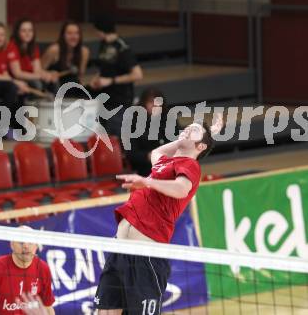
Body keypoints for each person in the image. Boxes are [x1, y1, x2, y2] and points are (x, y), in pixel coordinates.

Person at [94, 115, 223, 315]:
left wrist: (147, 182)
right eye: (188, 127)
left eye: (194, 130)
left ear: (201, 148)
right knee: (105, 312)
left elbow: (181, 189)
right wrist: (202, 136)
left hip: (146, 255)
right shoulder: (164, 163)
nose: (188, 129)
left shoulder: (190, 166)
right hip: (119, 249)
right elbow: (157, 151)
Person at [88, 15, 143, 137]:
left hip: (120, 101)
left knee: (117, 137)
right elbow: (106, 67)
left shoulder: (122, 48)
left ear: (100, 30)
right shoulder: (104, 44)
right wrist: (96, 79)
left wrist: (111, 81)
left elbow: (137, 74)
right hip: (104, 99)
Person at [0, 226, 55, 315]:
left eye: (30, 242)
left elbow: (48, 306)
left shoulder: (43, 269)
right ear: (12, 244)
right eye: (21, 242)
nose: (26, 246)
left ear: (36, 246)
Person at [127, 88, 180, 176]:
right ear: (143, 104)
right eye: (151, 102)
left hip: (169, 164)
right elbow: (131, 154)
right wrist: (148, 156)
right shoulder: (133, 123)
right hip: (145, 168)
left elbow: (179, 144)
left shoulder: (170, 119)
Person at [0, 21, 30, 136]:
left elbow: (6, 74)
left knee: (20, 90)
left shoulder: (3, 51)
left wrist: (17, 83)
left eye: (2, 35)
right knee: (11, 87)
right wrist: (14, 81)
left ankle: (18, 125)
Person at [8, 18, 58, 93]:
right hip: (17, 79)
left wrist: (47, 74)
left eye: (30, 30)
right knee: (37, 84)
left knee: (53, 80)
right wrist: (39, 76)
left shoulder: (34, 47)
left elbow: (37, 70)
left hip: (31, 76)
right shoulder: (12, 46)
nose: (27, 33)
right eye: (23, 31)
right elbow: (17, 74)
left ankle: (57, 102)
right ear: (17, 32)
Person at [41, 20, 90, 89]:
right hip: (54, 86)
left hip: (71, 87)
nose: (73, 37)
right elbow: (38, 71)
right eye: (69, 33)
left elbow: (80, 76)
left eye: (77, 33)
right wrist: (48, 74)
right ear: (63, 35)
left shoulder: (84, 51)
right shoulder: (54, 50)